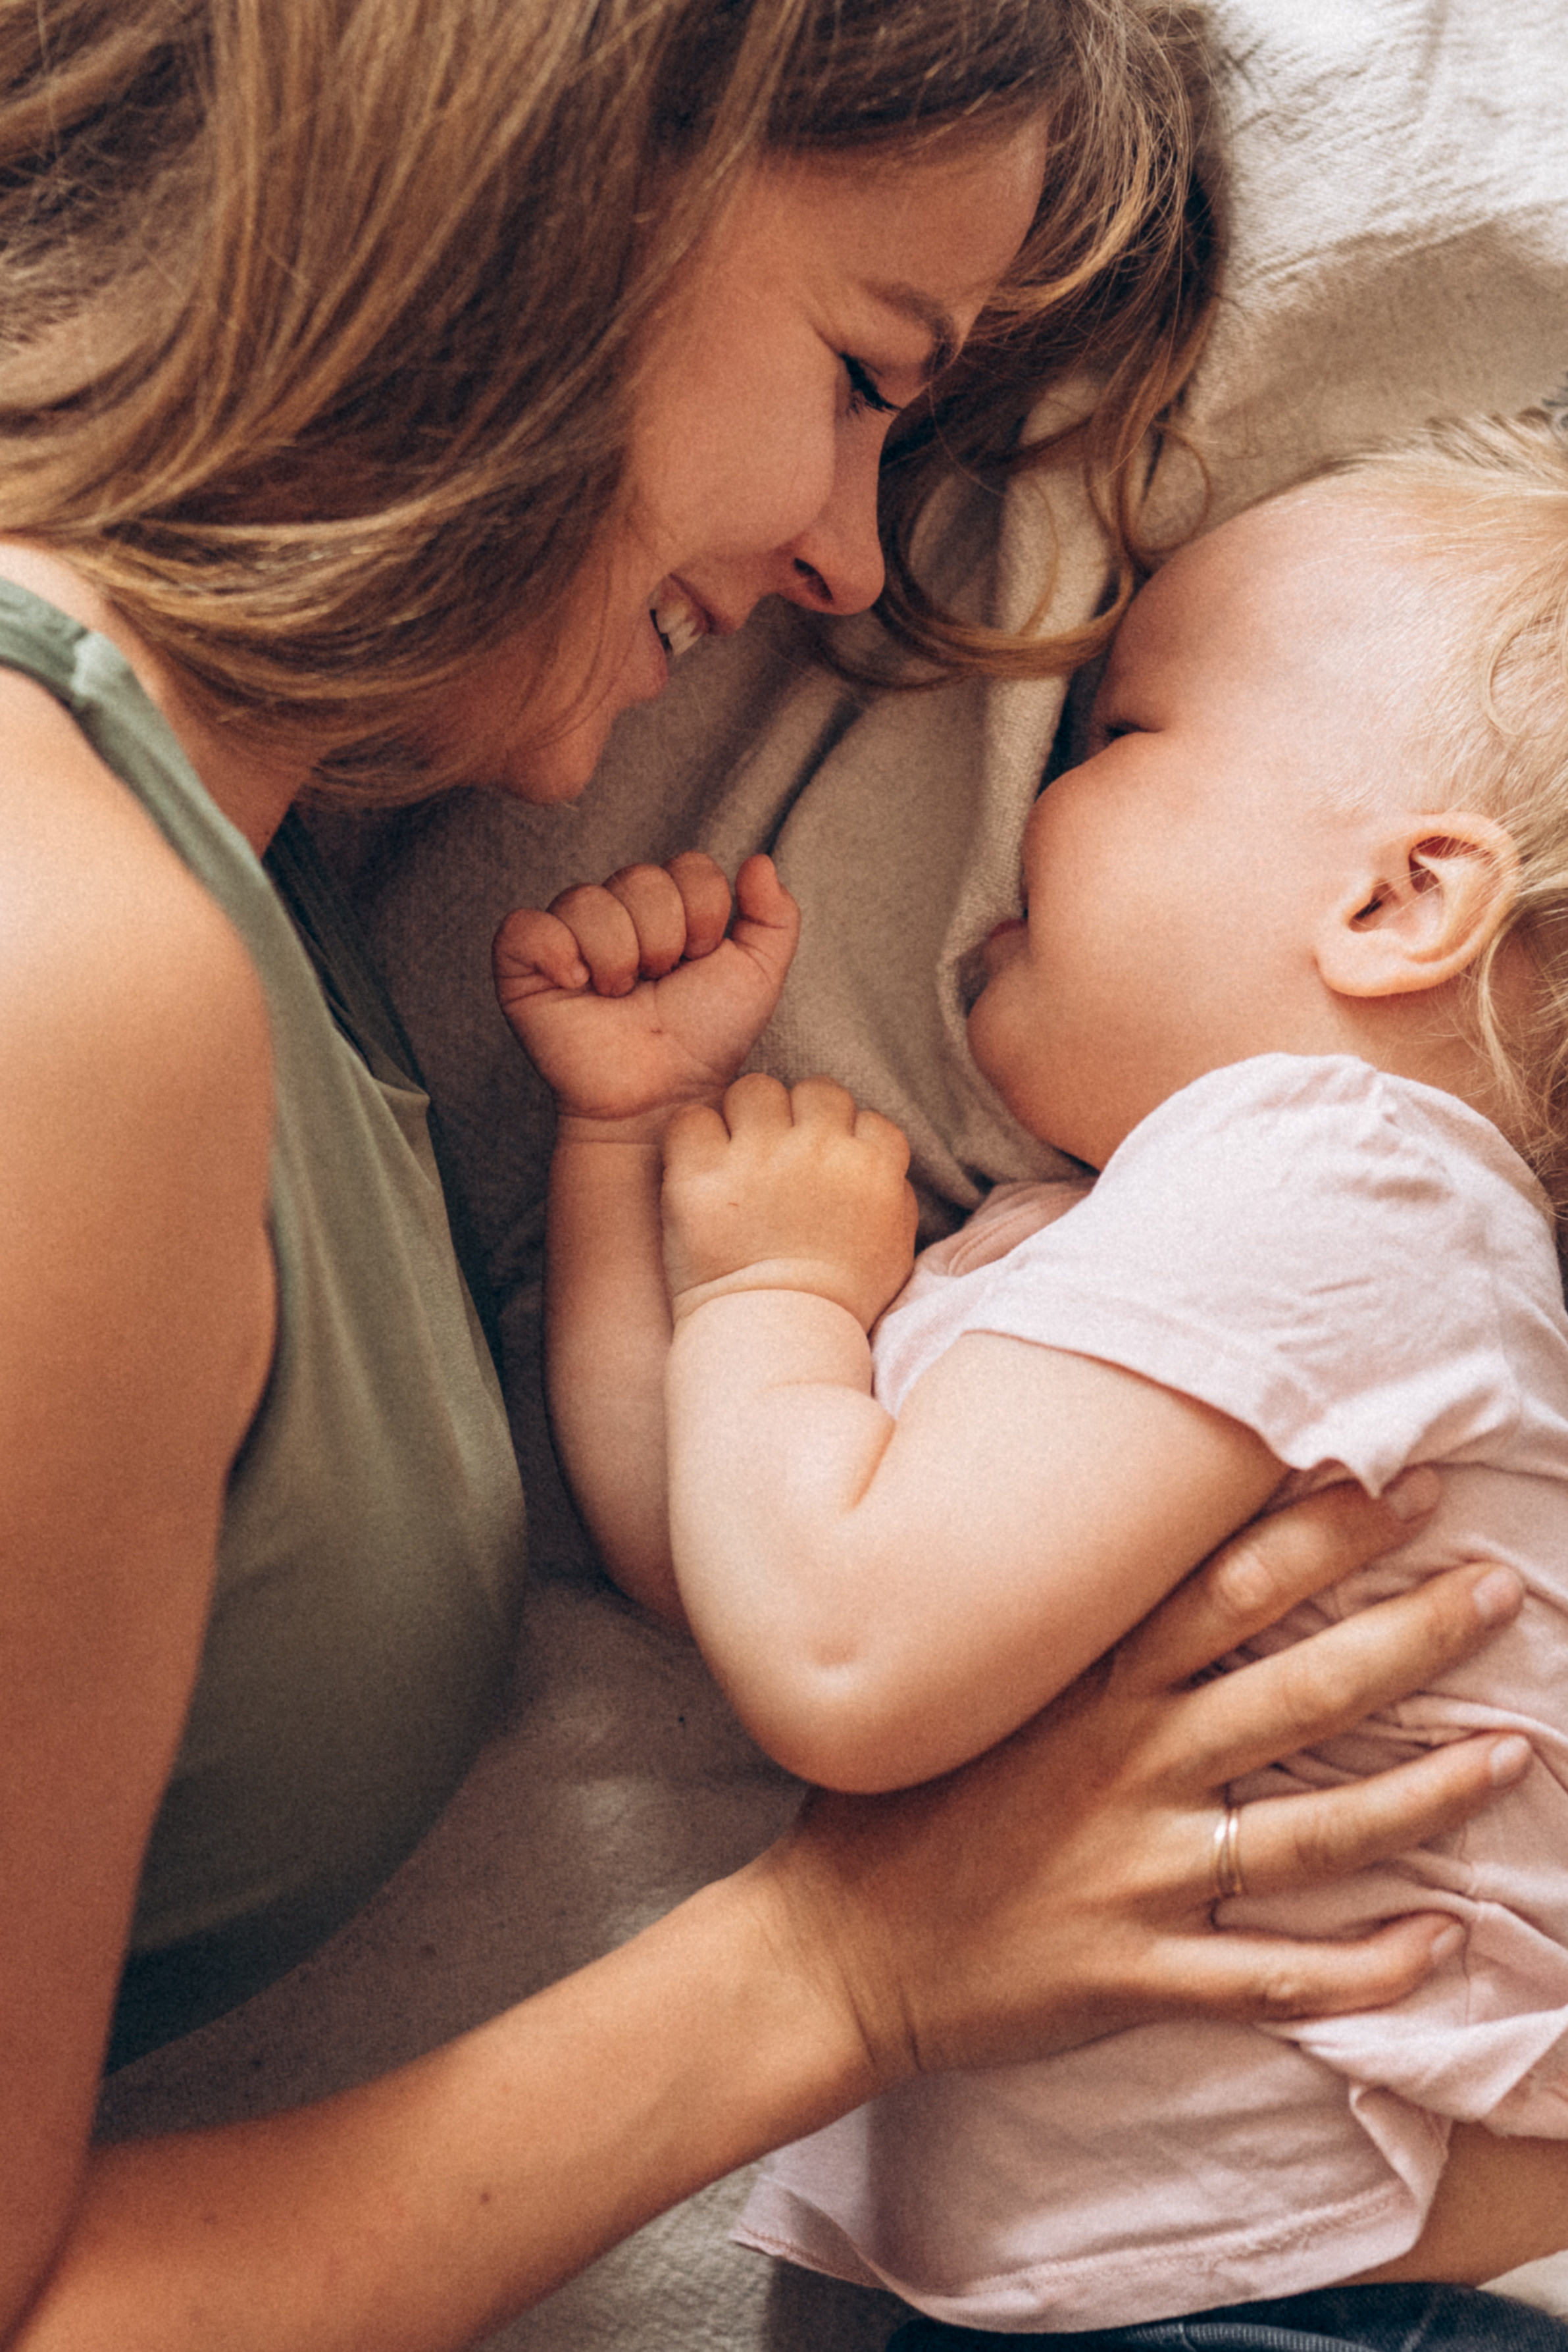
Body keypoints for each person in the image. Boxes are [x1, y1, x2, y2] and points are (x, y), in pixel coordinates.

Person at [0, 0, 1544, 2342]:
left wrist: (646, 1179)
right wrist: (837, 1962)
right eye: (863, 368)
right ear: (548, 181)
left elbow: (727, 1543)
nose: (851, 558)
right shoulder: (68, 952)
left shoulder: (254, 889)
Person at [495, 410, 1568, 2345]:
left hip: (1291, 2301)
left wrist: (779, 1295)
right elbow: (723, 1562)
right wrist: (623, 1152)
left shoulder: (1349, 1176)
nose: (1034, 796)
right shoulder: (1107, 1247)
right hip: (1118, 2288)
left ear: (1400, 903)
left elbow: (841, 1654)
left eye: (1117, 736)